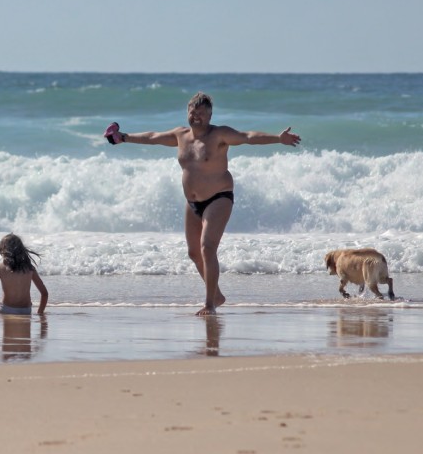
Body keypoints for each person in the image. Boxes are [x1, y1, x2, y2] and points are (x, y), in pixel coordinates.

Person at [105, 92, 300, 316]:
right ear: (187, 112)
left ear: (209, 116)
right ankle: (217, 294)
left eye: (201, 113)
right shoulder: (180, 135)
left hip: (219, 197)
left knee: (207, 247)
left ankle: (210, 305)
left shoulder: (219, 134)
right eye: (193, 112)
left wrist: (278, 138)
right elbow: (152, 136)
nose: (196, 116)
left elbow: (248, 136)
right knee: (194, 253)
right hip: (193, 202)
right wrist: (123, 137)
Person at [0, 233, 48, 316]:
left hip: (6, 309)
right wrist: (40, 312)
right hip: (26, 310)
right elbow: (44, 293)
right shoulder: (29, 268)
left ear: (2, 250)